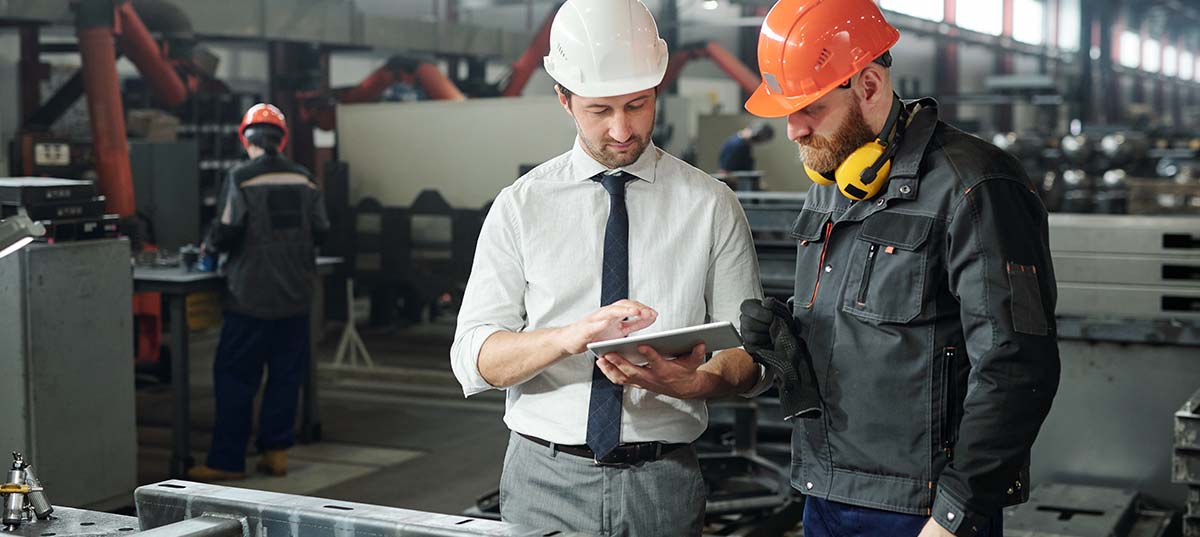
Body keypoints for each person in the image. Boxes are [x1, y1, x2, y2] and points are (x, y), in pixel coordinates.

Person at [737, 1, 1061, 536]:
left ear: (867, 86)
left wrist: (954, 514)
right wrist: (786, 345)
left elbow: (1017, 363)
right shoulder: (832, 189)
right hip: (825, 493)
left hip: (922, 512)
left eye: (809, 108)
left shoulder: (975, 186)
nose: (792, 130)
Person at [450, 0, 765, 535]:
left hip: (663, 481)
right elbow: (475, 359)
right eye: (600, 110)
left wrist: (688, 384)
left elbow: (752, 360)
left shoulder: (711, 205)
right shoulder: (521, 206)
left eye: (638, 105)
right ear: (564, 99)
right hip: (543, 480)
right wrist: (571, 337)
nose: (622, 129)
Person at [187, 103, 331, 482]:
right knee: (286, 375)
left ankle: (227, 459)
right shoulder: (305, 179)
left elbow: (227, 230)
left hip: (249, 296)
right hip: (296, 296)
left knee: (235, 376)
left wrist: (206, 251)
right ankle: (276, 453)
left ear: (244, 138)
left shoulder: (240, 177)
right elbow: (322, 229)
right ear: (281, 139)